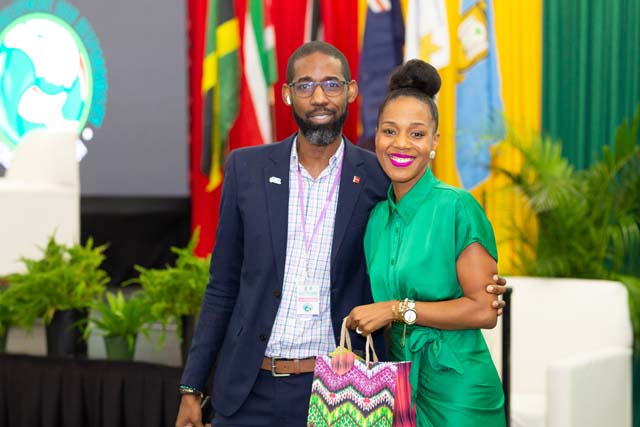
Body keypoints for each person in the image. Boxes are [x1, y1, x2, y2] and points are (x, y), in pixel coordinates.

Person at [175, 42, 506, 427]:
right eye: (305, 85)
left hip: (343, 390)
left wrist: (481, 289)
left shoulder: (380, 178)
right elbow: (222, 286)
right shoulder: (246, 169)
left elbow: (429, 242)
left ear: (351, 91)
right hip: (248, 389)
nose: (319, 97)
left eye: (331, 84)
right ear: (287, 94)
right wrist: (191, 387)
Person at [345, 59, 506, 426]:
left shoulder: (457, 207)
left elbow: (484, 311)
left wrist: (396, 309)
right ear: (376, 136)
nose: (401, 144)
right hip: (398, 385)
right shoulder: (376, 219)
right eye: (390, 131)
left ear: (434, 142)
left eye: (416, 134)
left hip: (458, 387)